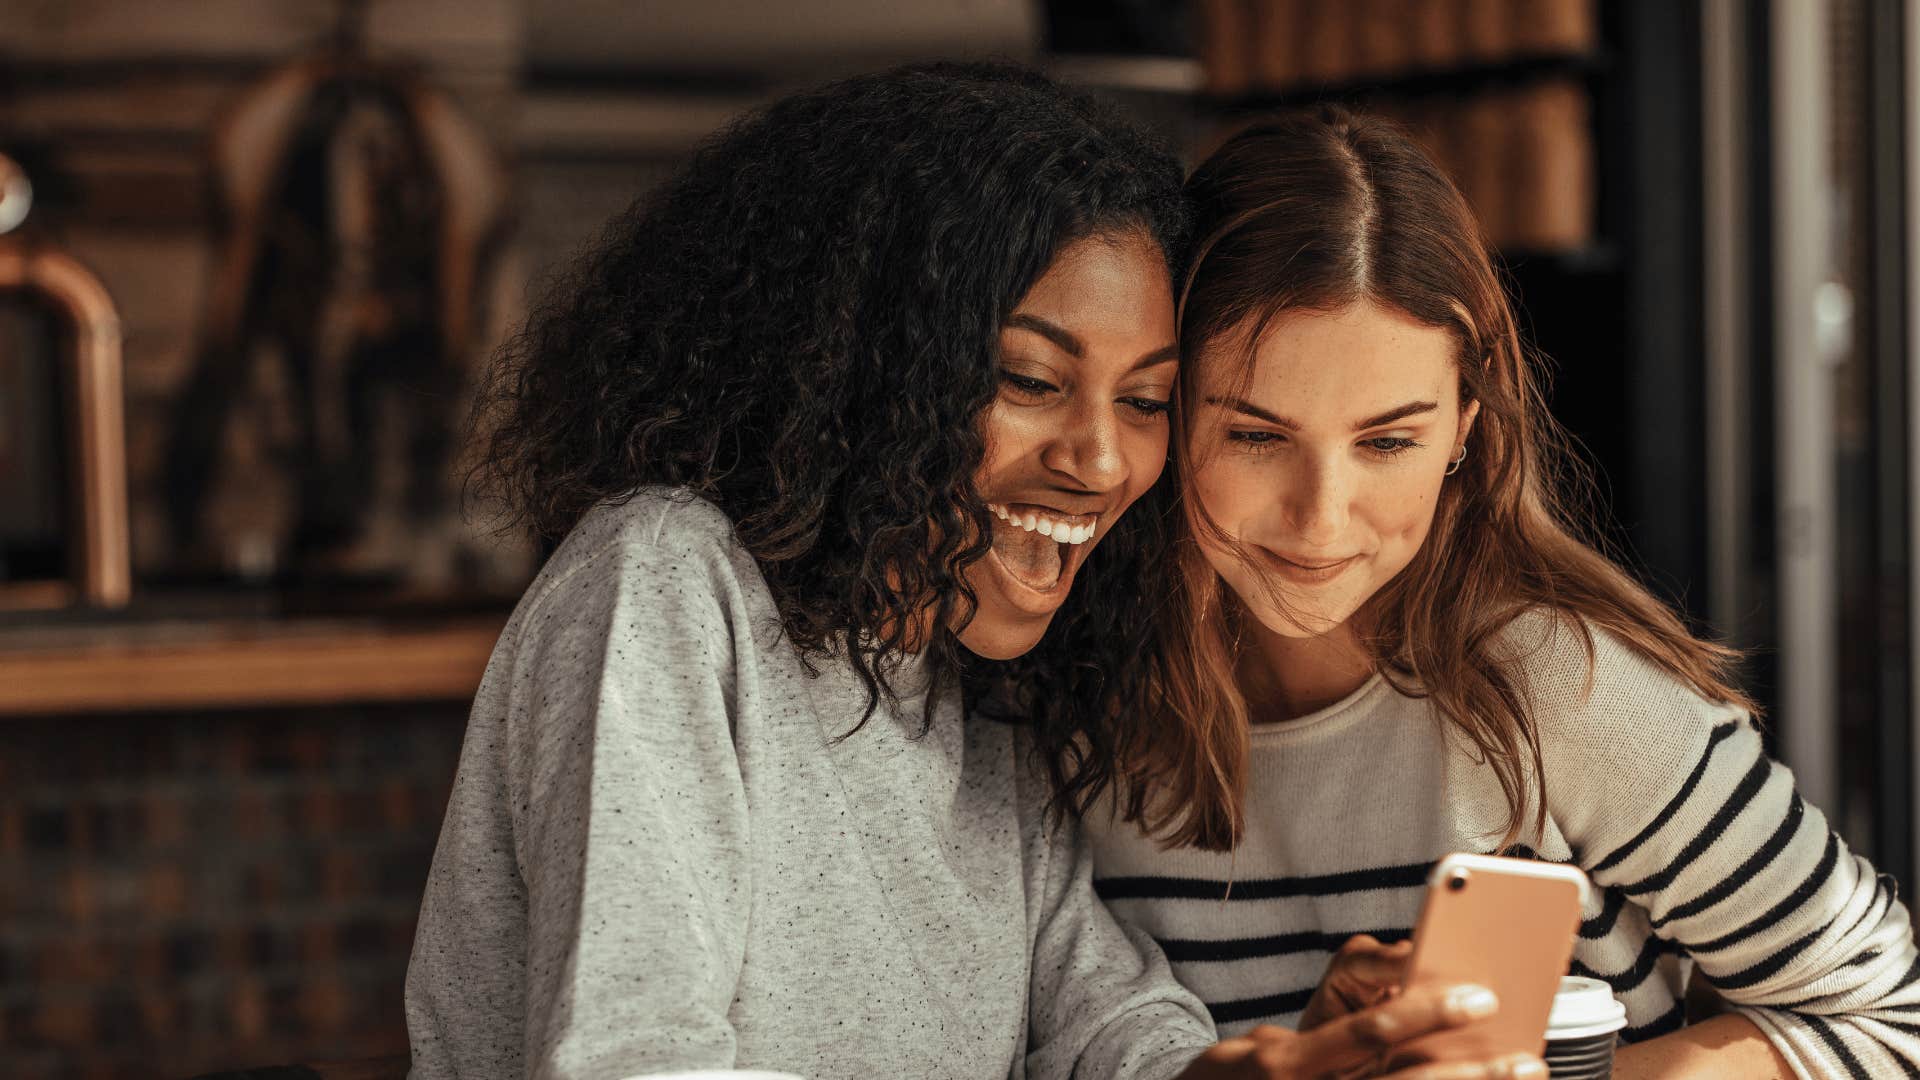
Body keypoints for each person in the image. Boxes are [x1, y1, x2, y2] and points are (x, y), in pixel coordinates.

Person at [404, 68, 1537, 1080]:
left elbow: (1111, 1031)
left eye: (1145, 401)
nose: (1099, 459)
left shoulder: (975, 690)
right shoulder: (667, 583)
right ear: (857, 371)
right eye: (1031, 381)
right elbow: (632, 1060)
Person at [1051, 106, 1920, 1077]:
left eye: (1388, 442)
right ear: (1162, 412)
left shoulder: (1560, 691)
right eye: (1256, 435)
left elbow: (1888, 1013)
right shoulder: (1079, 716)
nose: (1323, 519)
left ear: (1464, 427)